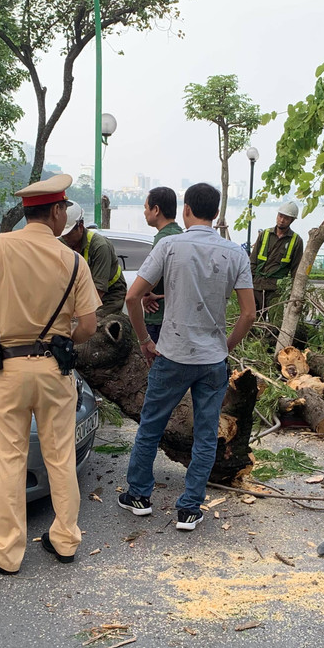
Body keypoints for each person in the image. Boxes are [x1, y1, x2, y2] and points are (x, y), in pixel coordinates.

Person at [0, 174, 100, 574]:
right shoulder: (73, 260)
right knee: (60, 456)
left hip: (9, 369)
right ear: (55, 211)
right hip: (56, 371)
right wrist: (64, 339)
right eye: (64, 211)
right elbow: (89, 324)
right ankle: (66, 540)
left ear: (27, 212)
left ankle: (5, 553)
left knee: (10, 460)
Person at [119, 183, 256, 531]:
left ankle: (138, 495)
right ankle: (190, 507)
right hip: (211, 361)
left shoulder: (169, 246)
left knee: (151, 426)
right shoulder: (235, 253)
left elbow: (133, 298)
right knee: (207, 435)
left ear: (186, 209)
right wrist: (225, 347)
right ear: (216, 212)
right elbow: (249, 314)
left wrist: (144, 341)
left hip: (172, 354)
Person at [60, 201, 126, 317]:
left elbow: (98, 290)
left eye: (69, 234)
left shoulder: (100, 247)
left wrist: (77, 314)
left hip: (110, 293)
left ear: (80, 227)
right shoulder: (62, 242)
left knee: (95, 322)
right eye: (63, 234)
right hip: (82, 292)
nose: (65, 238)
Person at [141, 186, 182, 343]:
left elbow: (152, 277)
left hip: (158, 315)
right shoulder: (180, 234)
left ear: (156, 209)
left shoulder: (163, 239)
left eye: (146, 208)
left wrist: (145, 294)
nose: (144, 212)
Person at [249, 200, 304, 316]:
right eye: (280, 216)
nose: (282, 220)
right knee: (254, 320)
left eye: (286, 218)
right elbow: (252, 261)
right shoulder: (264, 234)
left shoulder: (296, 241)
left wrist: (295, 291)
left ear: (292, 220)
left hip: (277, 289)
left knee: (275, 321)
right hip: (257, 285)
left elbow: (296, 269)